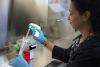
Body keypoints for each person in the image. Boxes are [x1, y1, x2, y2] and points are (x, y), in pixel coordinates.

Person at [28, 0, 100, 67]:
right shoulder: (84, 37)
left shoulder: (89, 53)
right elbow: (67, 55)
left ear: (85, 15)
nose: (68, 17)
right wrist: (44, 41)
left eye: (71, 13)